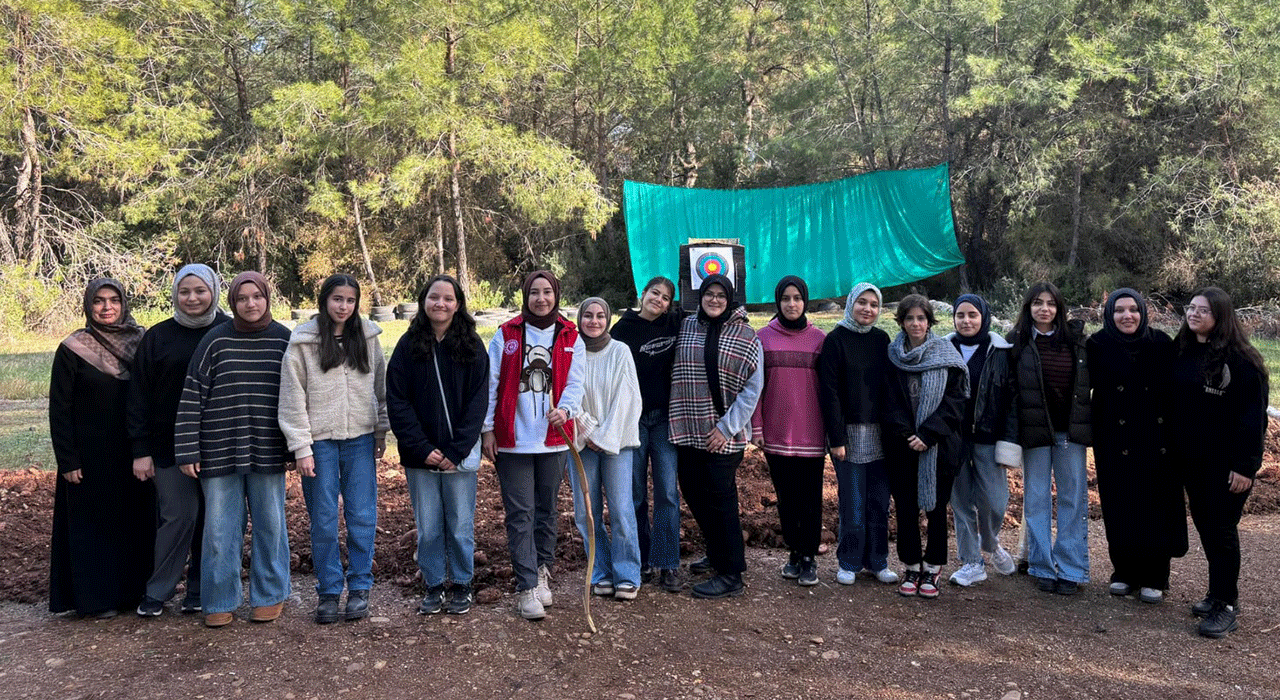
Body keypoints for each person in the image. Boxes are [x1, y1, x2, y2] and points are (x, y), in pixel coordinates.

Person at [175, 272, 293, 628]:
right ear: (232, 302)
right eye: (242, 298)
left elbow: (298, 395)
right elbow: (193, 394)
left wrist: (296, 446)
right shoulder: (215, 340)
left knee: (270, 526)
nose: (250, 304)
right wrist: (187, 449)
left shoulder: (284, 340)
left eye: (256, 296)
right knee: (219, 531)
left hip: (268, 448)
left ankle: (269, 595)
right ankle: (219, 599)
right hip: (218, 450)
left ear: (267, 298)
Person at [278, 274, 388, 624]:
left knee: (362, 516)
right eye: (337, 299)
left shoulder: (368, 337)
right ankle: (328, 589)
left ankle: (359, 586)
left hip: (359, 439)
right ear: (325, 300)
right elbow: (292, 398)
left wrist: (380, 430)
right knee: (323, 519)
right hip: (319, 443)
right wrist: (302, 447)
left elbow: (381, 389)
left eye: (350, 300)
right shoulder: (304, 342)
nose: (343, 306)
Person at [482, 271, 585, 620]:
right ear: (525, 296)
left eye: (547, 292)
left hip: (553, 440)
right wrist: (488, 430)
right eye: (534, 293)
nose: (541, 298)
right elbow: (492, 383)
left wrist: (566, 409)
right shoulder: (506, 334)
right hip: (514, 441)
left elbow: (575, 381)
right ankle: (525, 586)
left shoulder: (571, 335)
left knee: (546, 511)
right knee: (520, 513)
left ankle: (542, 572)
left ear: (556, 294)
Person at [49, 278, 154, 618]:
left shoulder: (141, 343)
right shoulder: (73, 348)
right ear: (88, 305)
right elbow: (60, 409)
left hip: (133, 454)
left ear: (124, 304)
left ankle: (131, 593)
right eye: (99, 301)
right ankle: (96, 600)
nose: (107, 307)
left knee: (133, 522)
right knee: (94, 528)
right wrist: (68, 459)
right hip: (89, 458)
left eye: (113, 300)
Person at [129, 265, 230, 617]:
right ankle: (159, 589)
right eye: (185, 291)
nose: (192, 298)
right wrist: (140, 451)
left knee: (214, 519)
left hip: (219, 444)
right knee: (179, 515)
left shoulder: (228, 330)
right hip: (167, 445)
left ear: (214, 291)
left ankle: (201, 589)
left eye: (200, 291)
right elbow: (138, 395)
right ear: (175, 294)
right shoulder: (157, 337)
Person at [387, 275, 489, 616]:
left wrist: (456, 450)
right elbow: (397, 401)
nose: (440, 304)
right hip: (421, 457)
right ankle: (432, 584)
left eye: (448, 298)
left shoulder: (472, 345)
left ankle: (461, 582)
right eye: (434, 297)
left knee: (460, 524)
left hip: (458, 457)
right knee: (428, 526)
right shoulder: (407, 345)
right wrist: (420, 447)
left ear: (457, 304)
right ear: (423, 301)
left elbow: (478, 402)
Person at [1170, 287, 1268, 638]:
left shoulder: (1243, 362)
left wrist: (1246, 466)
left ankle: (1227, 606)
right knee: (1207, 527)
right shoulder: (1183, 350)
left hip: (1228, 466)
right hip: (1193, 462)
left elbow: (1253, 419)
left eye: (1203, 310)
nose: (1194, 314)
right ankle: (1216, 594)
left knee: (1222, 531)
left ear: (1221, 316)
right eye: (1191, 308)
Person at [1086, 289, 1186, 605]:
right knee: (1119, 505)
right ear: (1109, 314)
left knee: (1154, 506)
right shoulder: (1097, 345)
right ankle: (1124, 572)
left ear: (1143, 312)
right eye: (1119, 310)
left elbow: (1176, 394)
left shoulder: (1161, 344)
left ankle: (1156, 575)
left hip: (1156, 440)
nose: (1127, 316)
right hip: (1114, 440)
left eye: (1133, 309)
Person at [668, 273, 763, 599]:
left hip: (724, 435)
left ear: (730, 299)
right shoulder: (687, 326)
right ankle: (717, 551)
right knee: (694, 493)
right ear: (701, 296)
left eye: (721, 295)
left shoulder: (748, 336)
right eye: (709, 294)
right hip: (688, 429)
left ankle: (731, 573)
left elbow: (752, 390)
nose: (714, 300)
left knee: (722, 502)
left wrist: (726, 428)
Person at [1008, 282, 1092, 596]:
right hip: (1035, 434)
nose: (1045, 309)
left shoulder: (1076, 341)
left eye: (1051, 303)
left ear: (1059, 308)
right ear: (1028, 308)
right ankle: (1042, 566)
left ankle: (1071, 569)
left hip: (1069, 432)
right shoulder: (1016, 342)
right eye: (1038, 303)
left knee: (1073, 498)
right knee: (1036, 500)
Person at [882, 294, 968, 598]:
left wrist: (929, 434)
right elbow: (888, 401)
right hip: (901, 446)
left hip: (939, 447)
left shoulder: (947, 354)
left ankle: (932, 568)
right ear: (902, 322)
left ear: (930, 321)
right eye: (909, 318)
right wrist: (907, 434)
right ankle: (911, 565)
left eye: (921, 318)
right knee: (905, 508)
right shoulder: (892, 356)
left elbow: (956, 402)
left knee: (935, 509)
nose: (916, 323)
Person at [817, 283, 898, 586]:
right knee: (853, 503)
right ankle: (849, 561)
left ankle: (877, 561)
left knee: (879, 502)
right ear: (851, 304)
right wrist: (836, 438)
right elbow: (830, 392)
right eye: (862, 303)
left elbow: (890, 389)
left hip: (881, 436)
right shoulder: (835, 340)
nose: (867, 309)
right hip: (848, 438)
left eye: (874, 305)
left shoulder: (882, 340)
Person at [751, 276, 827, 586]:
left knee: (810, 497)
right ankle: (793, 553)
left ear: (805, 302)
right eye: (786, 298)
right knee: (786, 498)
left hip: (812, 434)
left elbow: (830, 389)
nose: (792, 304)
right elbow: (753, 389)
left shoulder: (820, 339)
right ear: (778, 302)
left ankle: (809, 557)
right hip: (776, 434)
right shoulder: (763, 338)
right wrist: (757, 427)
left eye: (797, 298)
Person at [611, 276, 684, 593]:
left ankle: (667, 561)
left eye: (666, 297)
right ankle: (639, 557)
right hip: (633, 420)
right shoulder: (622, 329)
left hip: (665, 419)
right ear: (642, 294)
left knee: (667, 491)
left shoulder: (675, 324)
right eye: (655, 293)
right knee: (635, 492)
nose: (659, 300)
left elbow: (708, 305)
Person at [568, 297, 644, 599]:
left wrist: (605, 436)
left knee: (622, 508)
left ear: (608, 319)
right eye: (588, 315)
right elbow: (566, 394)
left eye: (600, 315)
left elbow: (627, 397)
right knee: (586, 510)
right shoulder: (571, 352)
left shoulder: (620, 351)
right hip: (581, 442)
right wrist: (588, 430)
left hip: (618, 444)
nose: (594, 321)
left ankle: (627, 572)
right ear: (579, 318)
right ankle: (599, 571)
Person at [944, 294, 1020, 587]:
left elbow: (1011, 399)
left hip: (989, 437)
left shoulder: (1000, 350)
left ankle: (990, 543)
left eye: (972, 315)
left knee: (995, 501)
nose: (966, 321)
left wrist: (1010, 438)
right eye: (960, 315)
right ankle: (972, 563)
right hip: (954, 438)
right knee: (961, 502)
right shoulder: (944, 348)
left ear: (983, 317)